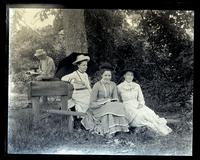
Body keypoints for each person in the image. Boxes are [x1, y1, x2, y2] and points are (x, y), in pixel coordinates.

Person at [117, 66, 172, 136]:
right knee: (140, 116)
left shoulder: (137, 86)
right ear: (124, 76)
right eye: (128, 75)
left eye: (131, 75)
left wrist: (141, 104)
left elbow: (141, 99)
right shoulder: (119, 87)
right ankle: (140, 130)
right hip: (126, 106)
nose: (130, 77)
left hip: (137, 104)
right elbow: (118, 100)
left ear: (133, 77)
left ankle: (154, 131)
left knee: (150, 114)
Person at [81, 63, 129, 138]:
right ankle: (108, 131)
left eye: (109, 75)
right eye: (105, 75)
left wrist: (113, 101)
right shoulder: (97, 85)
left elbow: (116, 98)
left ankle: (117, 129)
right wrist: (103, 102)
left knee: (120, 105)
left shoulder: (113, 84)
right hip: (98, 106)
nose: (107, 77)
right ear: (101, 76)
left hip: (109, 104)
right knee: (108, 108)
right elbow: (92, 102)